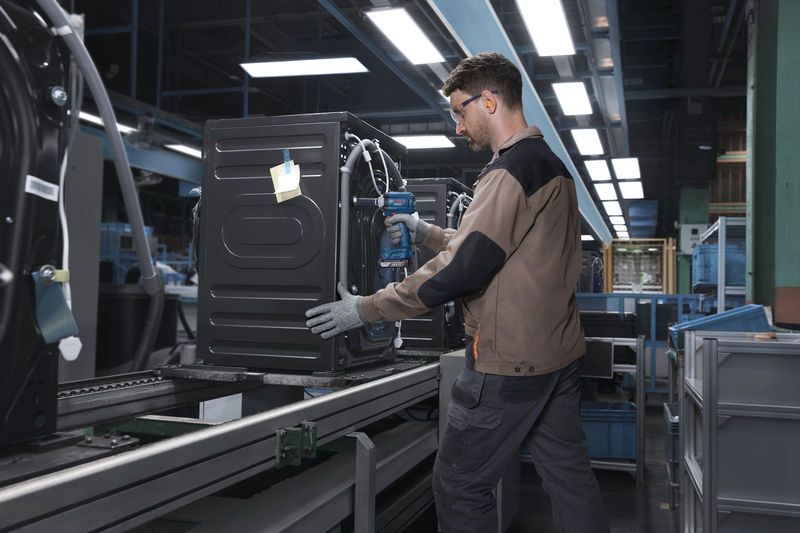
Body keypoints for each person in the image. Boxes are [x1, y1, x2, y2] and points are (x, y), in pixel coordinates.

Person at [305, 52, 609, 533]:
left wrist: (365, 308)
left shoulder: (508, 171)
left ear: (488, 100)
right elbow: (502, 251)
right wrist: (424, 230)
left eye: (459, 111)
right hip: (558, 354)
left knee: (459, 485)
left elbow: (464, 269)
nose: (457, 126)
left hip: (509, 363)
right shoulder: (549, 166)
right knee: (569, 478)